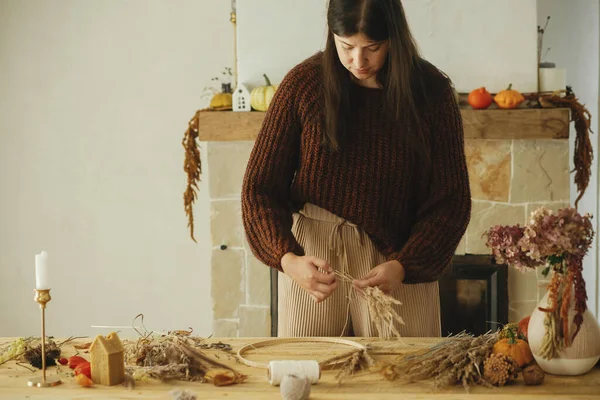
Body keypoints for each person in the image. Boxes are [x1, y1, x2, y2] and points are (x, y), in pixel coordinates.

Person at [241, 0, 471, 338]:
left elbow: (451, 200)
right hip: (314, 258)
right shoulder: (303, 85)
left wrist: (406, 266)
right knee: (308, 376)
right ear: (331, 35)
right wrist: (288, 259)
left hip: (398, 262)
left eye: (372, 48)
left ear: (395, 37)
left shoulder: (431, 92)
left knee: (407, 382)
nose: (358, 61)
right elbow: (258, 188)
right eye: (346, 46)